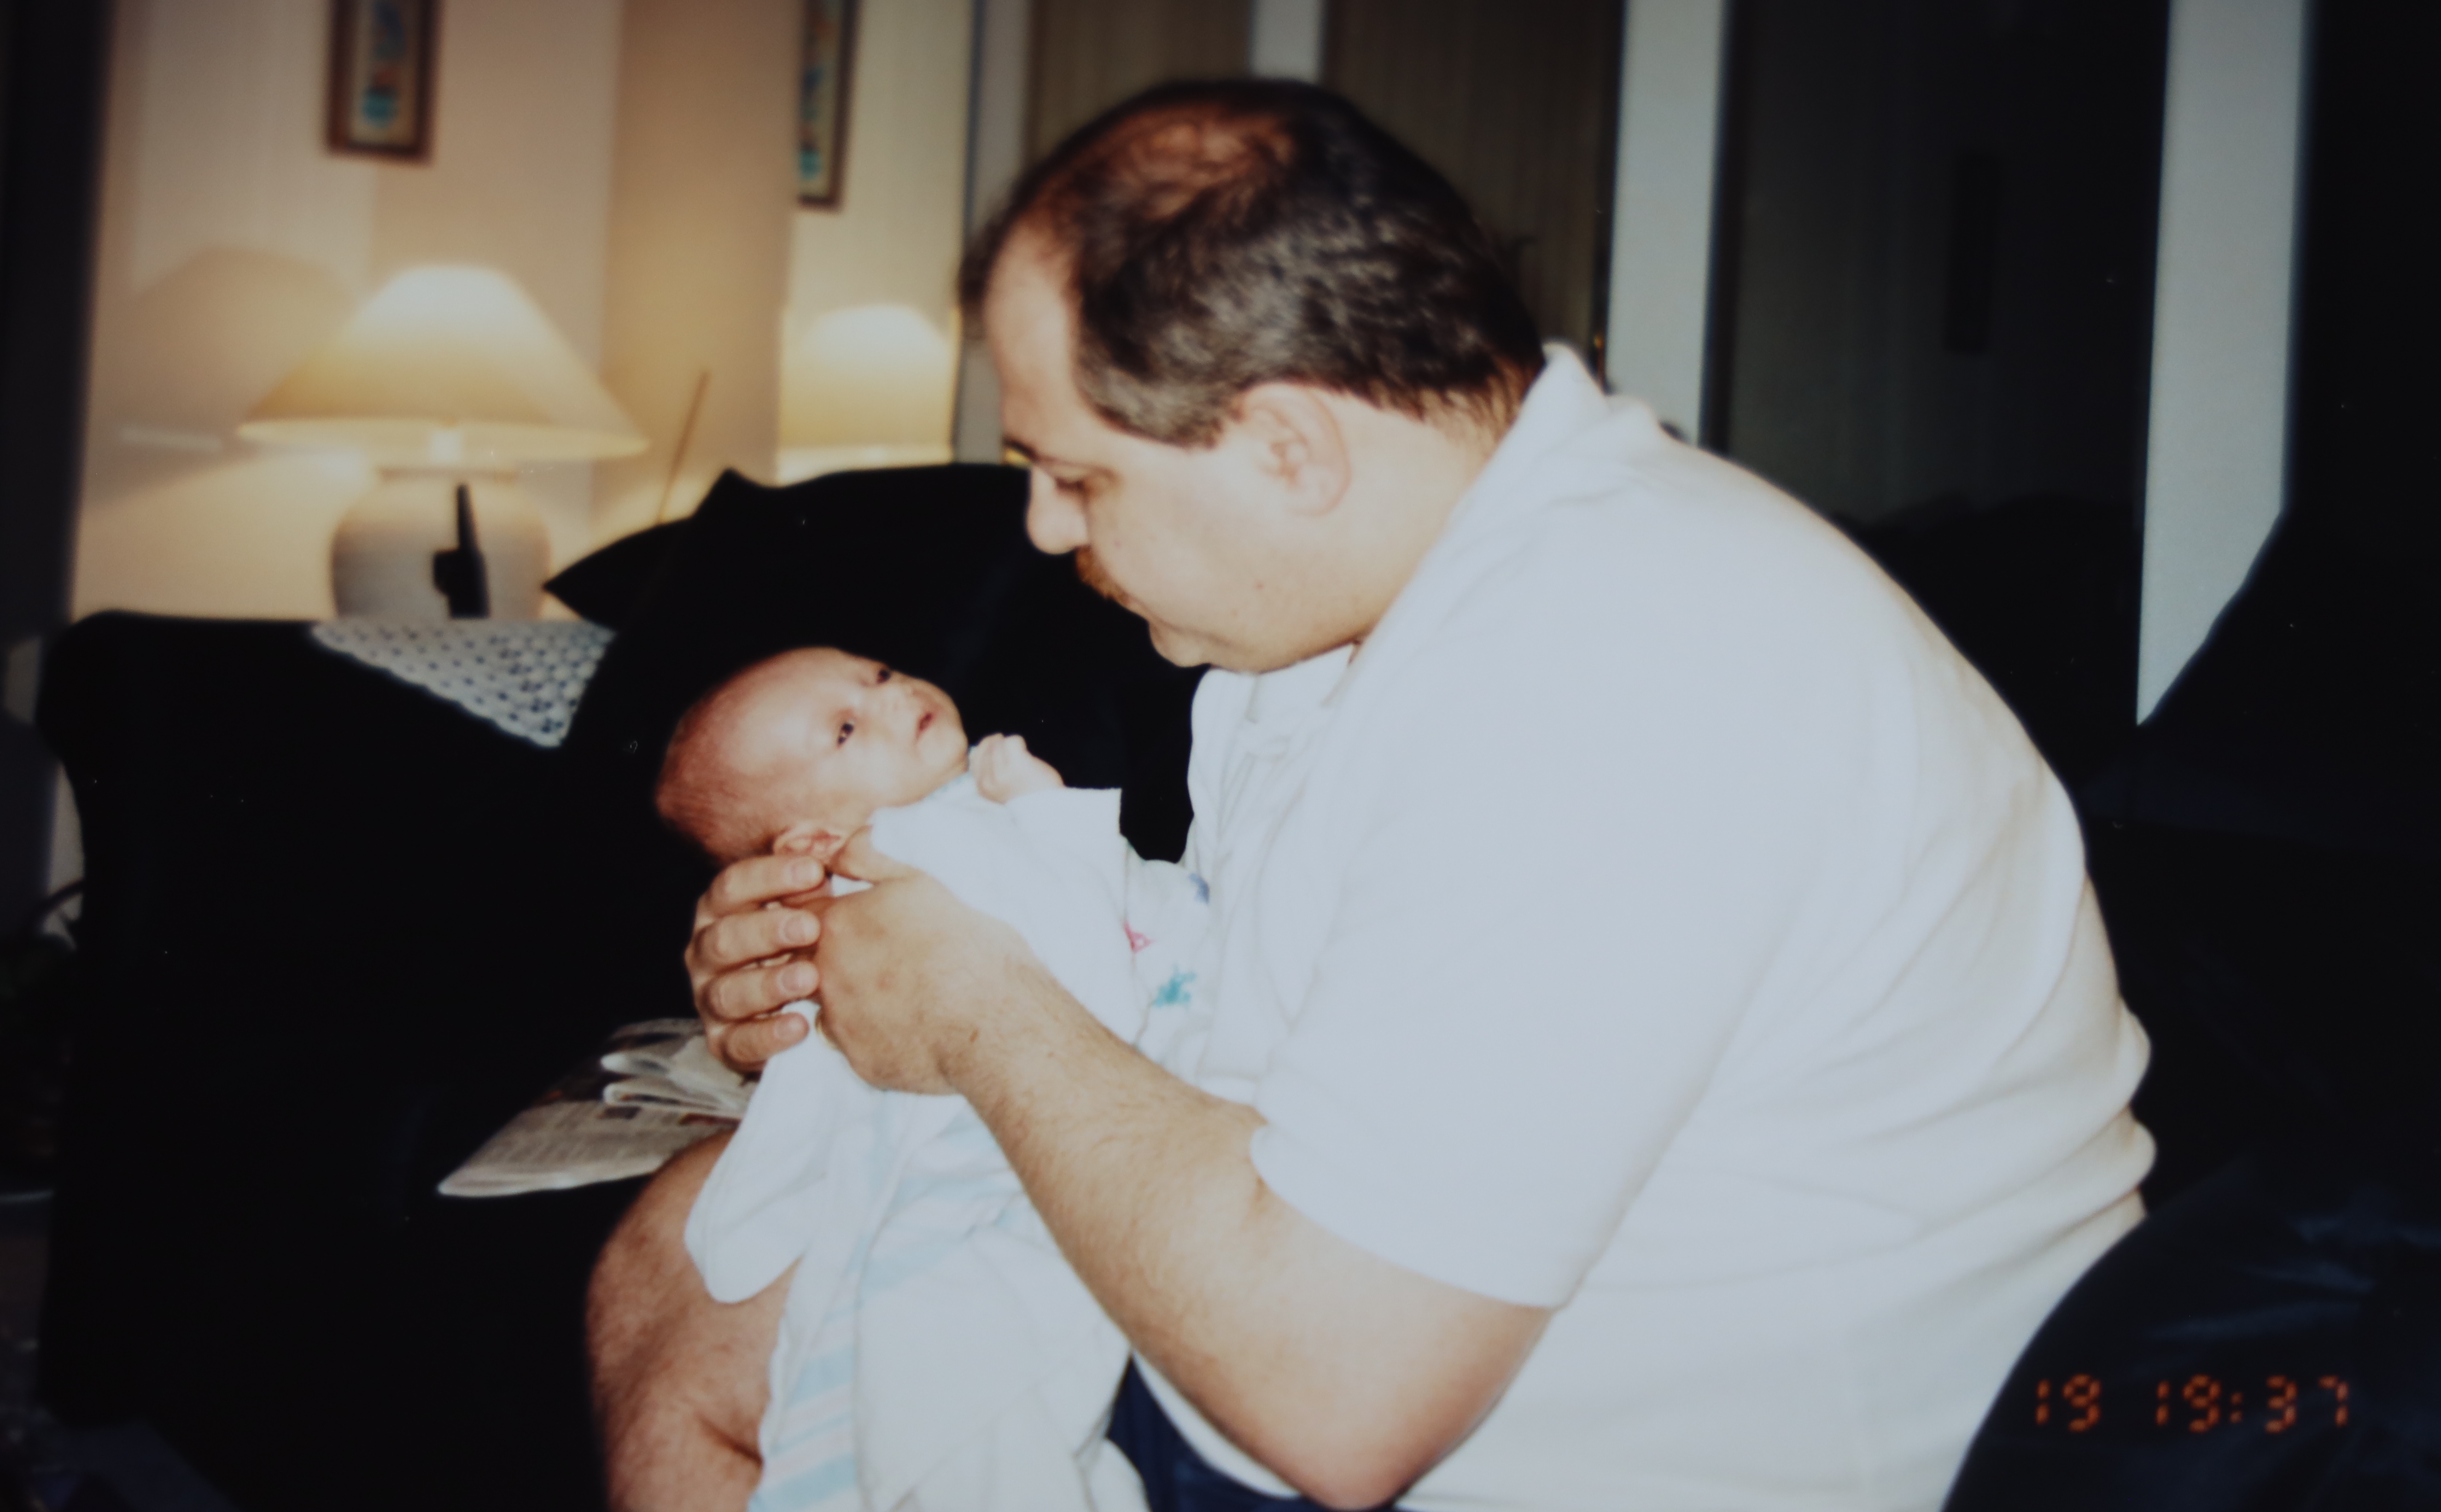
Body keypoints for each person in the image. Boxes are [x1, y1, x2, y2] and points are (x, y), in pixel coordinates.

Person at [590, 79, 2154, 1512]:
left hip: (1579, 1445)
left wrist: (976, 1011)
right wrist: (844, 979)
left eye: (1077, 473)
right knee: (692, 1243)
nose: (1047, 529)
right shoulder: (1357, 618)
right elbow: (1240, 1021)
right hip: (1388, 1343)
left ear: (1287, 448)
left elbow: (1335, 1404)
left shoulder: (1611, 668)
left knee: (717, 1301)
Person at [654, 646, 1210, 1512]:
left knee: (950, 1368)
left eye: (877, 674)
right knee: (957, 1355)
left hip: (1103, 1121)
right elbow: (1075, 943)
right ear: (808, 844)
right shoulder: (911, 843)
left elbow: (1076, 959)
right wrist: (1047, 813)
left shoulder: (962, 810)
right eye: (846, 729)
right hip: (979, 1151)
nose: (891, 695)